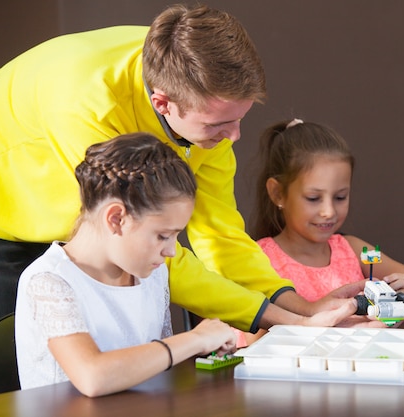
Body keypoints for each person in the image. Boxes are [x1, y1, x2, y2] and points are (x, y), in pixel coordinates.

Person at [0, 4, 357, 331]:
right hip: (5, 227)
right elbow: (142, 240)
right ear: (162, 103)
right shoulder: (86, 105)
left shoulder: (199, 91)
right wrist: (281, 319)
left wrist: (303, 309)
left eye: (239, 119)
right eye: (217, 126)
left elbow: (220, 236)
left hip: (94, 233)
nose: (234, 136)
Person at [15, 133, 238, 396]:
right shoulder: (49, 281)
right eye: (163, 236)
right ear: (116, 218)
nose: (170, 251)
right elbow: (92, 377)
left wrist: (199, 349)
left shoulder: (151, 275)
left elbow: (157, 370)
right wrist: (194, 339)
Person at [238, 119, 404, 345]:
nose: (328, 211)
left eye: (340, 197)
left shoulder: (354, 249)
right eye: (313, 198)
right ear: (277, 194)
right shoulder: (258, 260)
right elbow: (250, 340)